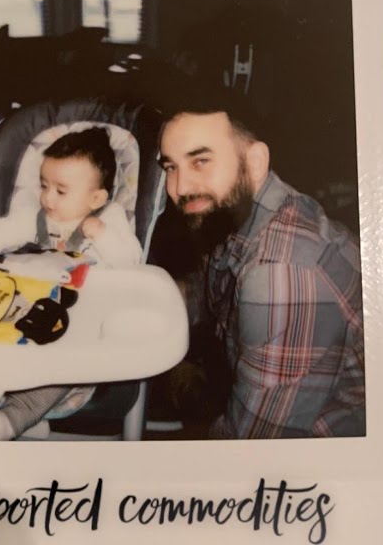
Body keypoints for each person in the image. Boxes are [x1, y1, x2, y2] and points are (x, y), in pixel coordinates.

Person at [157, 102, 366, 438]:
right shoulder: (232, 213)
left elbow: (250, 445)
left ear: (254, 162)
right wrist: (161, 301)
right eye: (171, 167)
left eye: (200, 161)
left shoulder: (282, 274)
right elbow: (208, 289)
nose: (179, 187)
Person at [0, 126, 143, 440]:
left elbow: (132, 262)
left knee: (64, 370)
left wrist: (102, 235)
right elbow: (1, 232)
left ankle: (11, 420)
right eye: (44, 185)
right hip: (32, 314)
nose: (47, 197)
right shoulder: (39, 218)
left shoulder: (110, 218)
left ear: (96, 197)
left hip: (81, 327)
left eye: (60, 190)